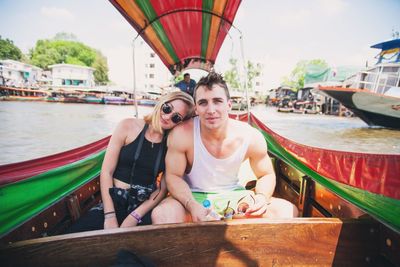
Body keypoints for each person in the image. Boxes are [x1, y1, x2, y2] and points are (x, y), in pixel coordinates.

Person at [152, 72, 297, 223]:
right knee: (162, 215)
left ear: (229, 105)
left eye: (217, 101)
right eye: (203, 103)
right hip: (191, 195)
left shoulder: (250, 136)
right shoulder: (182, 134)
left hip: (234, 196)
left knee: (287, 210)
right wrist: (191, 204)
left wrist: (261, 197)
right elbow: (173, 177)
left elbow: (266, 175)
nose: (211, 110)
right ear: (196, 109)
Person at [65, 91, 194, 233]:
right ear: (161, 103)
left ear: (180, 123)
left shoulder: (172, 144)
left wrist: (135, 215)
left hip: (143, 206)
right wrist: (109, 216)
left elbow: (162, 189)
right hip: (113, 202)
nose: (167, 116)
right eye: (167, 108)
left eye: (176, 117)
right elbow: (107, 172)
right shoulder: (127, 126)